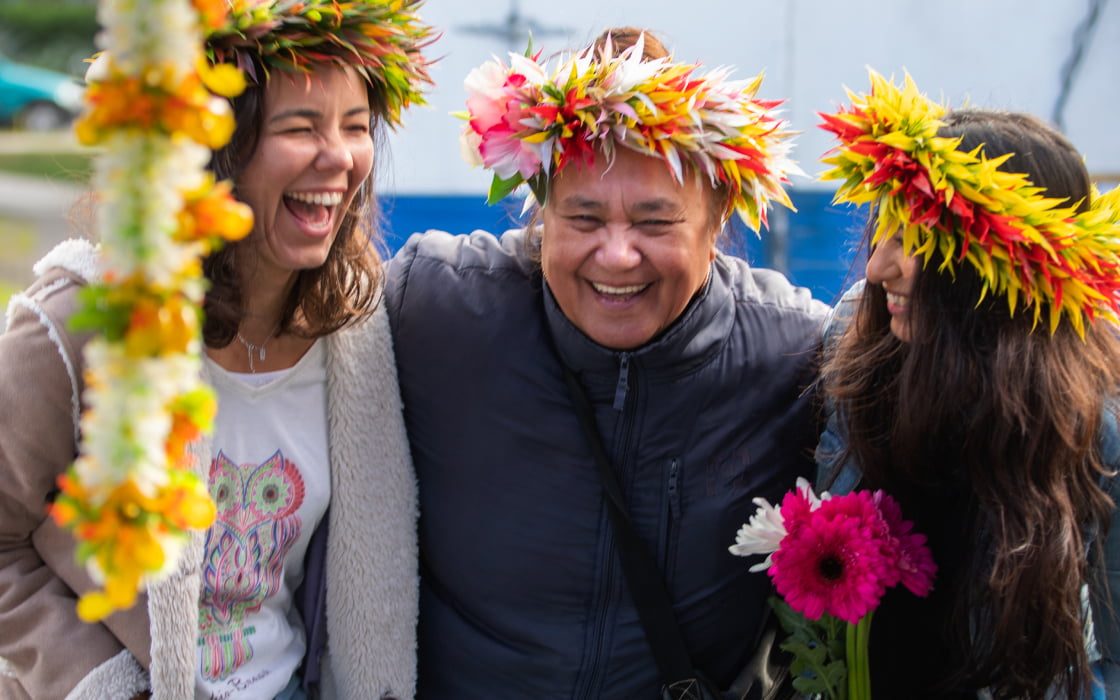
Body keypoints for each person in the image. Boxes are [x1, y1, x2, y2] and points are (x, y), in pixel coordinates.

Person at [0, 2, 433, 698]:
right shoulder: (79, 326)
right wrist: (100, 683)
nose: (339, 157)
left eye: (356, 127)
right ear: (214, 150)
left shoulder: (353, 332)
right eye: (301, 127)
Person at [384, 27, 828, 698]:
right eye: (585, 219)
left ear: (717, 221)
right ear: (541, 214)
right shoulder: (437, 310)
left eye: (654, 223)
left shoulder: (794, 356)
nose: (617, 256)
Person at [815, 71, 1120, 699]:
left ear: (1009, 265)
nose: (877, 267)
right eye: (883, 229)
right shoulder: (858, 348)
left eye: (915, 237)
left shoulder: (1097, 436)